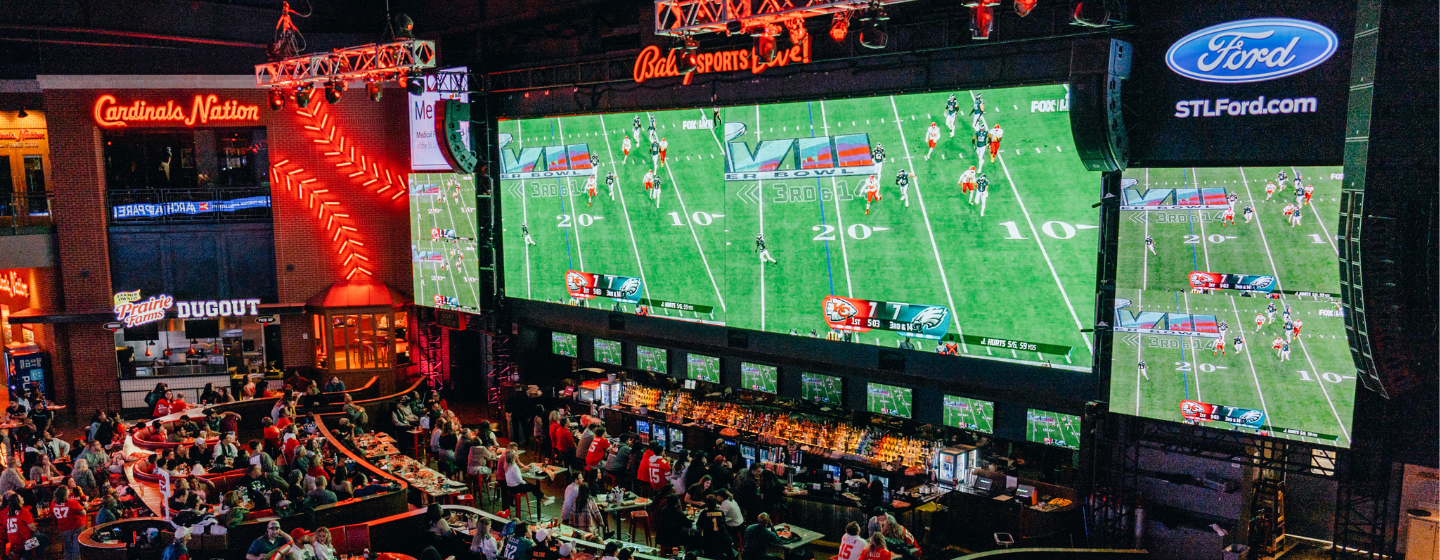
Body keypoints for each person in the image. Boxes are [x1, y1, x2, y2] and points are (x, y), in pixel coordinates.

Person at [695, 494, 734, 560]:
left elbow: (698, 526)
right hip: (722, 538)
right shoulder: (721, 513)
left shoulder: (704, 513)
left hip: (709, 540)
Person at [5, 493, 42, 560]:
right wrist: (37, 532)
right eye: (20, 497)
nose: (22, 498)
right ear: (18, 501)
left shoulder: (8, 513)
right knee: (43, 538)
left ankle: (25, 556)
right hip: (25, 542)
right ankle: (29, 556)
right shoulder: (23, 511)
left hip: (13, 543)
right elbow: (33, 527)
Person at [53, 486, 87, 560]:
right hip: (77, 526)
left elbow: (51, 514)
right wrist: (84, 506)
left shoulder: (53, 503)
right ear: (65, 494)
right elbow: (83, 512)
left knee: (67, 548)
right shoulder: (72, 502)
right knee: (76, 548)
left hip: (64, 528)